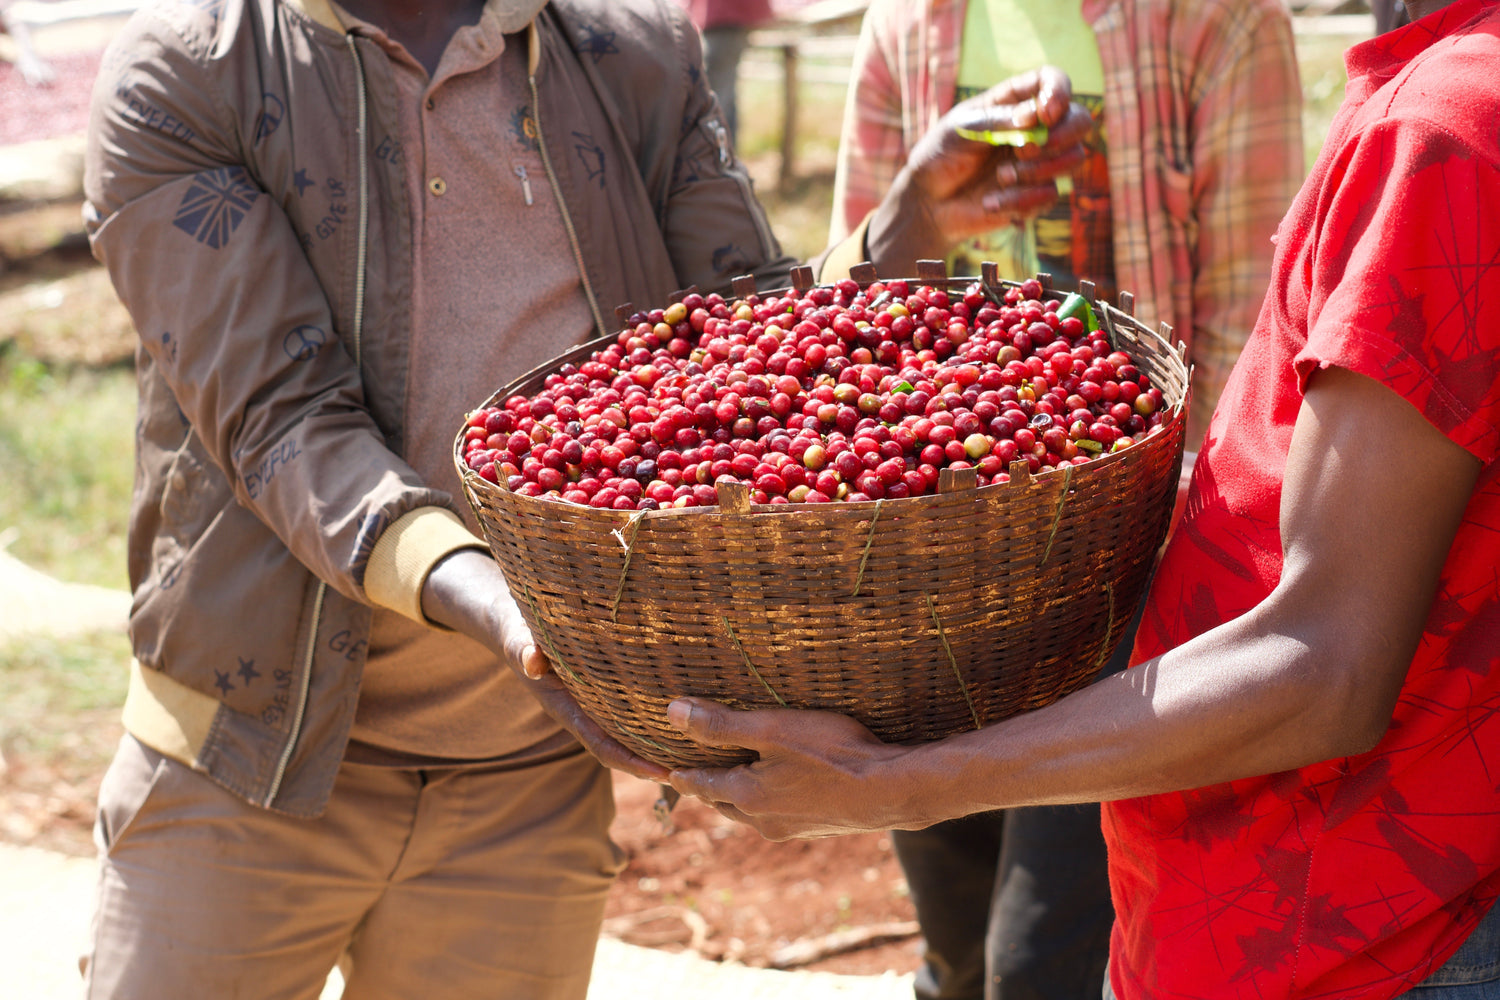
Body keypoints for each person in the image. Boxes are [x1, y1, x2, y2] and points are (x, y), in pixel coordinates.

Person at [79, 0, 1092, 994]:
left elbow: (740, 341)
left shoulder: (631, 56)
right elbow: (283, 424)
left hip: (523, 782)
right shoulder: (192, 70)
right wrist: (512, 610)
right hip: (248, 766)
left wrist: (908, 216)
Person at [663, 2, 1500, 1000]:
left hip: (1337, 924)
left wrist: (898, 784)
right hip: (1298, 865)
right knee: (966, 950)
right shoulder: (1439, 99)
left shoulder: (1443, 125)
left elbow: (1329, 664)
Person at [821, 2, 1303, 997]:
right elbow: (846, 314)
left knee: (1040, 962)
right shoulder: (906, 26)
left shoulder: (1216, 22)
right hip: (932, 576)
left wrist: (1156, 560)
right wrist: (915, 201)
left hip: (1123, 584)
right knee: (955, 950)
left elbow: (1243, 331)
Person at [675, 0, 773, 145]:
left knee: (716, 102)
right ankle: (722, 159)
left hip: (722, 25)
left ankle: (718, 160)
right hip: (724, 26)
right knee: (721, 101)